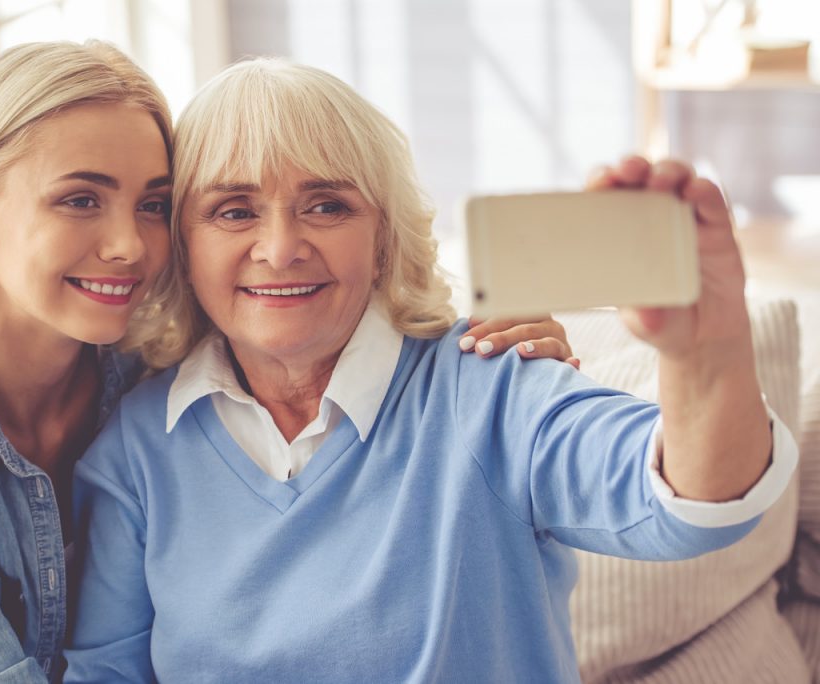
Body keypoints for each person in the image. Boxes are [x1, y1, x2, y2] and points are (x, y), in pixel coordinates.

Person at [0, 42, 573, 683]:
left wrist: (485, 333)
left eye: (151, 205)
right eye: (80, 200)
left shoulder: (158, 365)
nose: (130, 246)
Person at [64, 58, 799, 683]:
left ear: (383, 240)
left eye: (327, 205)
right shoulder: (137, 450)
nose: (281, 247)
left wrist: (707, 349)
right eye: (232, 211)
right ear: (181, 245)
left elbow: (695, 504)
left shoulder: (492, 383)